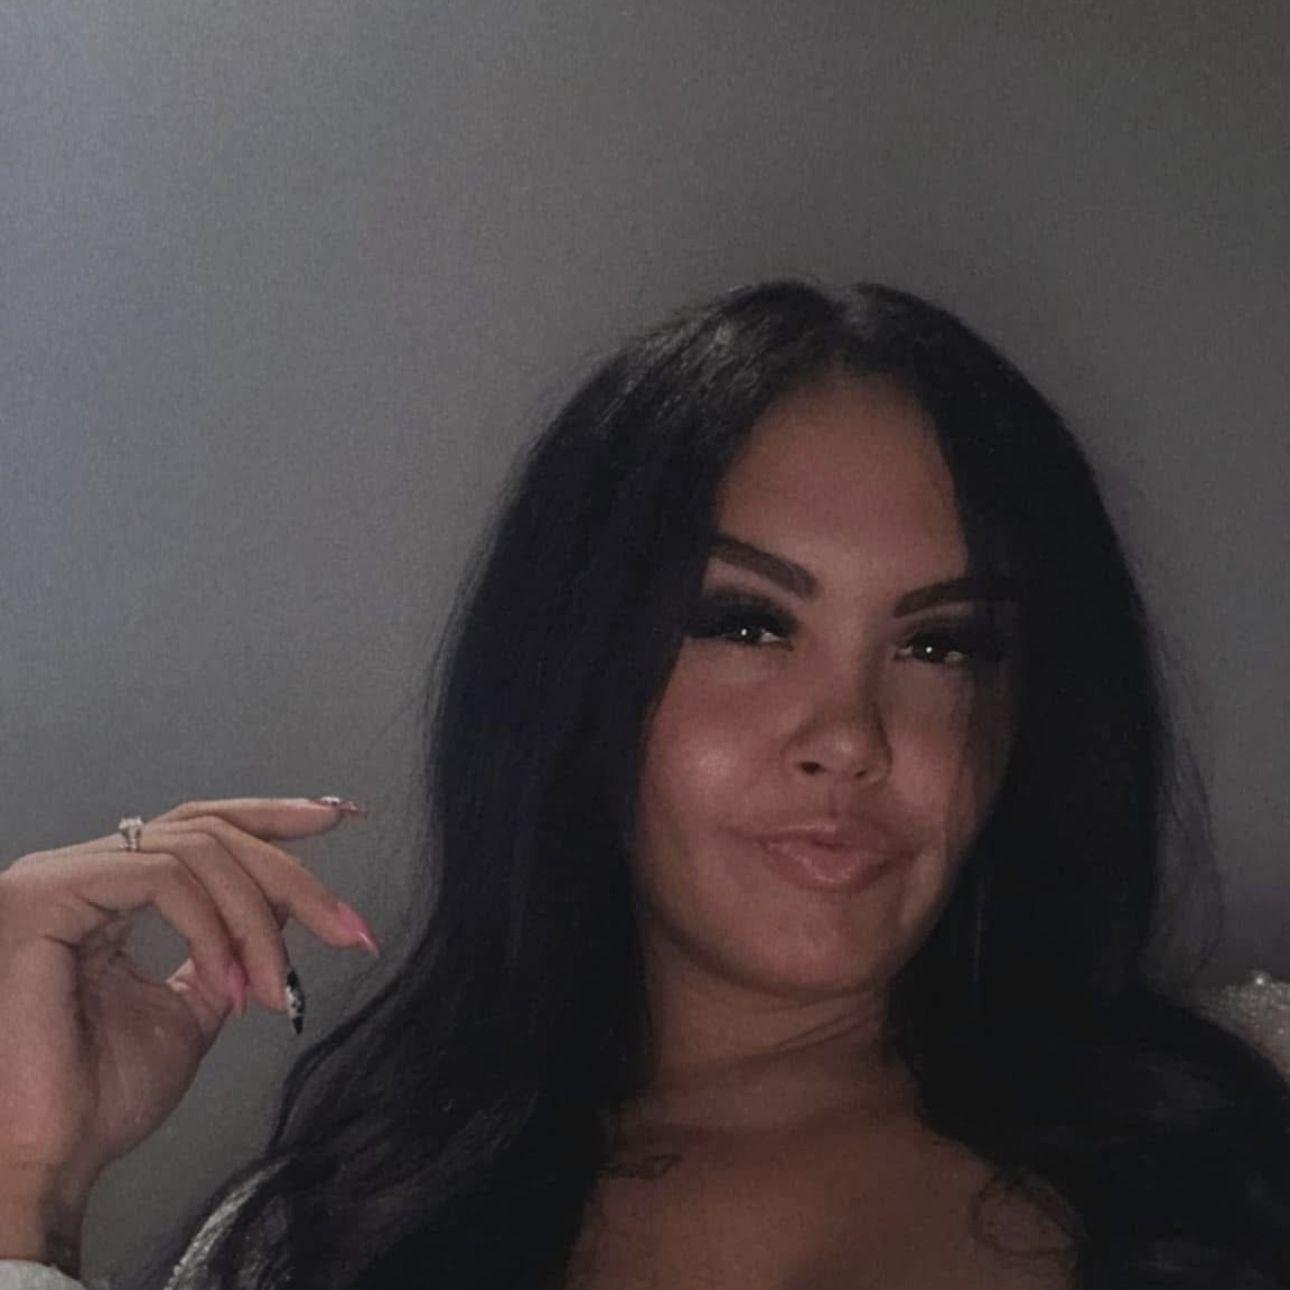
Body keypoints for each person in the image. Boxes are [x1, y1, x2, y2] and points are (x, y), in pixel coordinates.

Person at [1, 280, 1288, 1290]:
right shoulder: (344, 1238)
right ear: (579, 672)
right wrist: (25, 1189)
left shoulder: (1231, 1162)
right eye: (746, 623)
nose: (850, 736)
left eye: (941, 645)